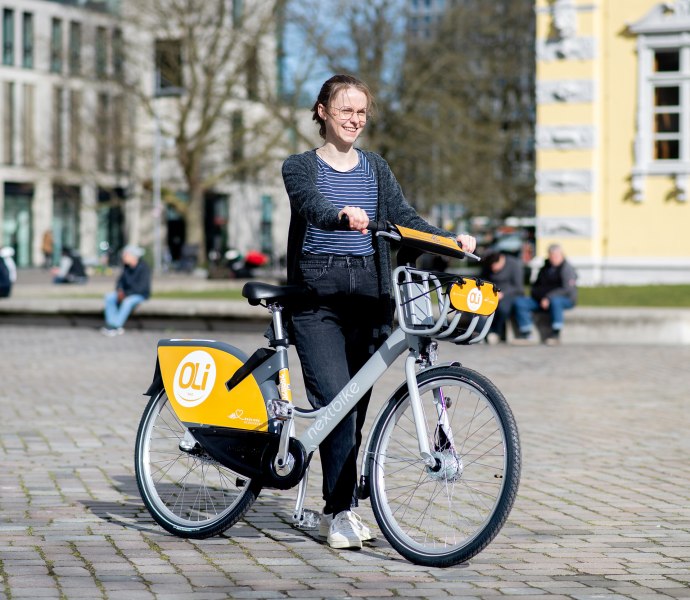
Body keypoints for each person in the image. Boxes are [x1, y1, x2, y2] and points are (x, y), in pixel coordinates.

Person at [281, 74, 476, 550]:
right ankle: (343, 512)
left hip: (371, 299)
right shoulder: (299, 167)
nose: (355, 119)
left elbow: (404, 219)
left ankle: (337, 509)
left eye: (362, 112)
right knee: (337, 403)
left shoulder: (375, 168)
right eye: (346, 110)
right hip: (317, 300)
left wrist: (449, 241)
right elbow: (312, 206)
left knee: (356, 411)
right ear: (323, 111)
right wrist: (341, 215)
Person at [513, 243, 577, 345]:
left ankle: (555, 334)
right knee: (520, 302)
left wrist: (548, 297)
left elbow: (566, 289)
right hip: (542, 299)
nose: (553, 258)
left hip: (564, 299)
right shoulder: (545, 268)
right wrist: (540, 296)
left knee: (556, 302)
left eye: (556, 256)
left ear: (562, 255)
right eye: (551, 256)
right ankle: (526, 332)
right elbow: (536, 285)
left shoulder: (567, 269)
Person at [101, 245, 151, 336]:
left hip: (139, 294)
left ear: (133, 256)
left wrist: (126, 294)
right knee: (109, 297)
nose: (123, 257)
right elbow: (120, 282)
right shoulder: (126, 267)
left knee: (127, 302)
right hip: (125, 293)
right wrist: (119, 290)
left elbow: (142, 287)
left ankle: (116, 326)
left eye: (125, 255)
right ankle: (111, 324)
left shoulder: (144, 268)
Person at [480, 251, 524, 344]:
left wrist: (503, 294)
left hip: (510, 294)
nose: (493, 269)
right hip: (491, 293)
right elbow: (483, 279)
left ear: (501, 260)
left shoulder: (514, 264)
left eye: (495, 266)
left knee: (503, 308)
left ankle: (496, 332)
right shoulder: (488, 264)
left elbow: (518, 287)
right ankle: (487, 333)